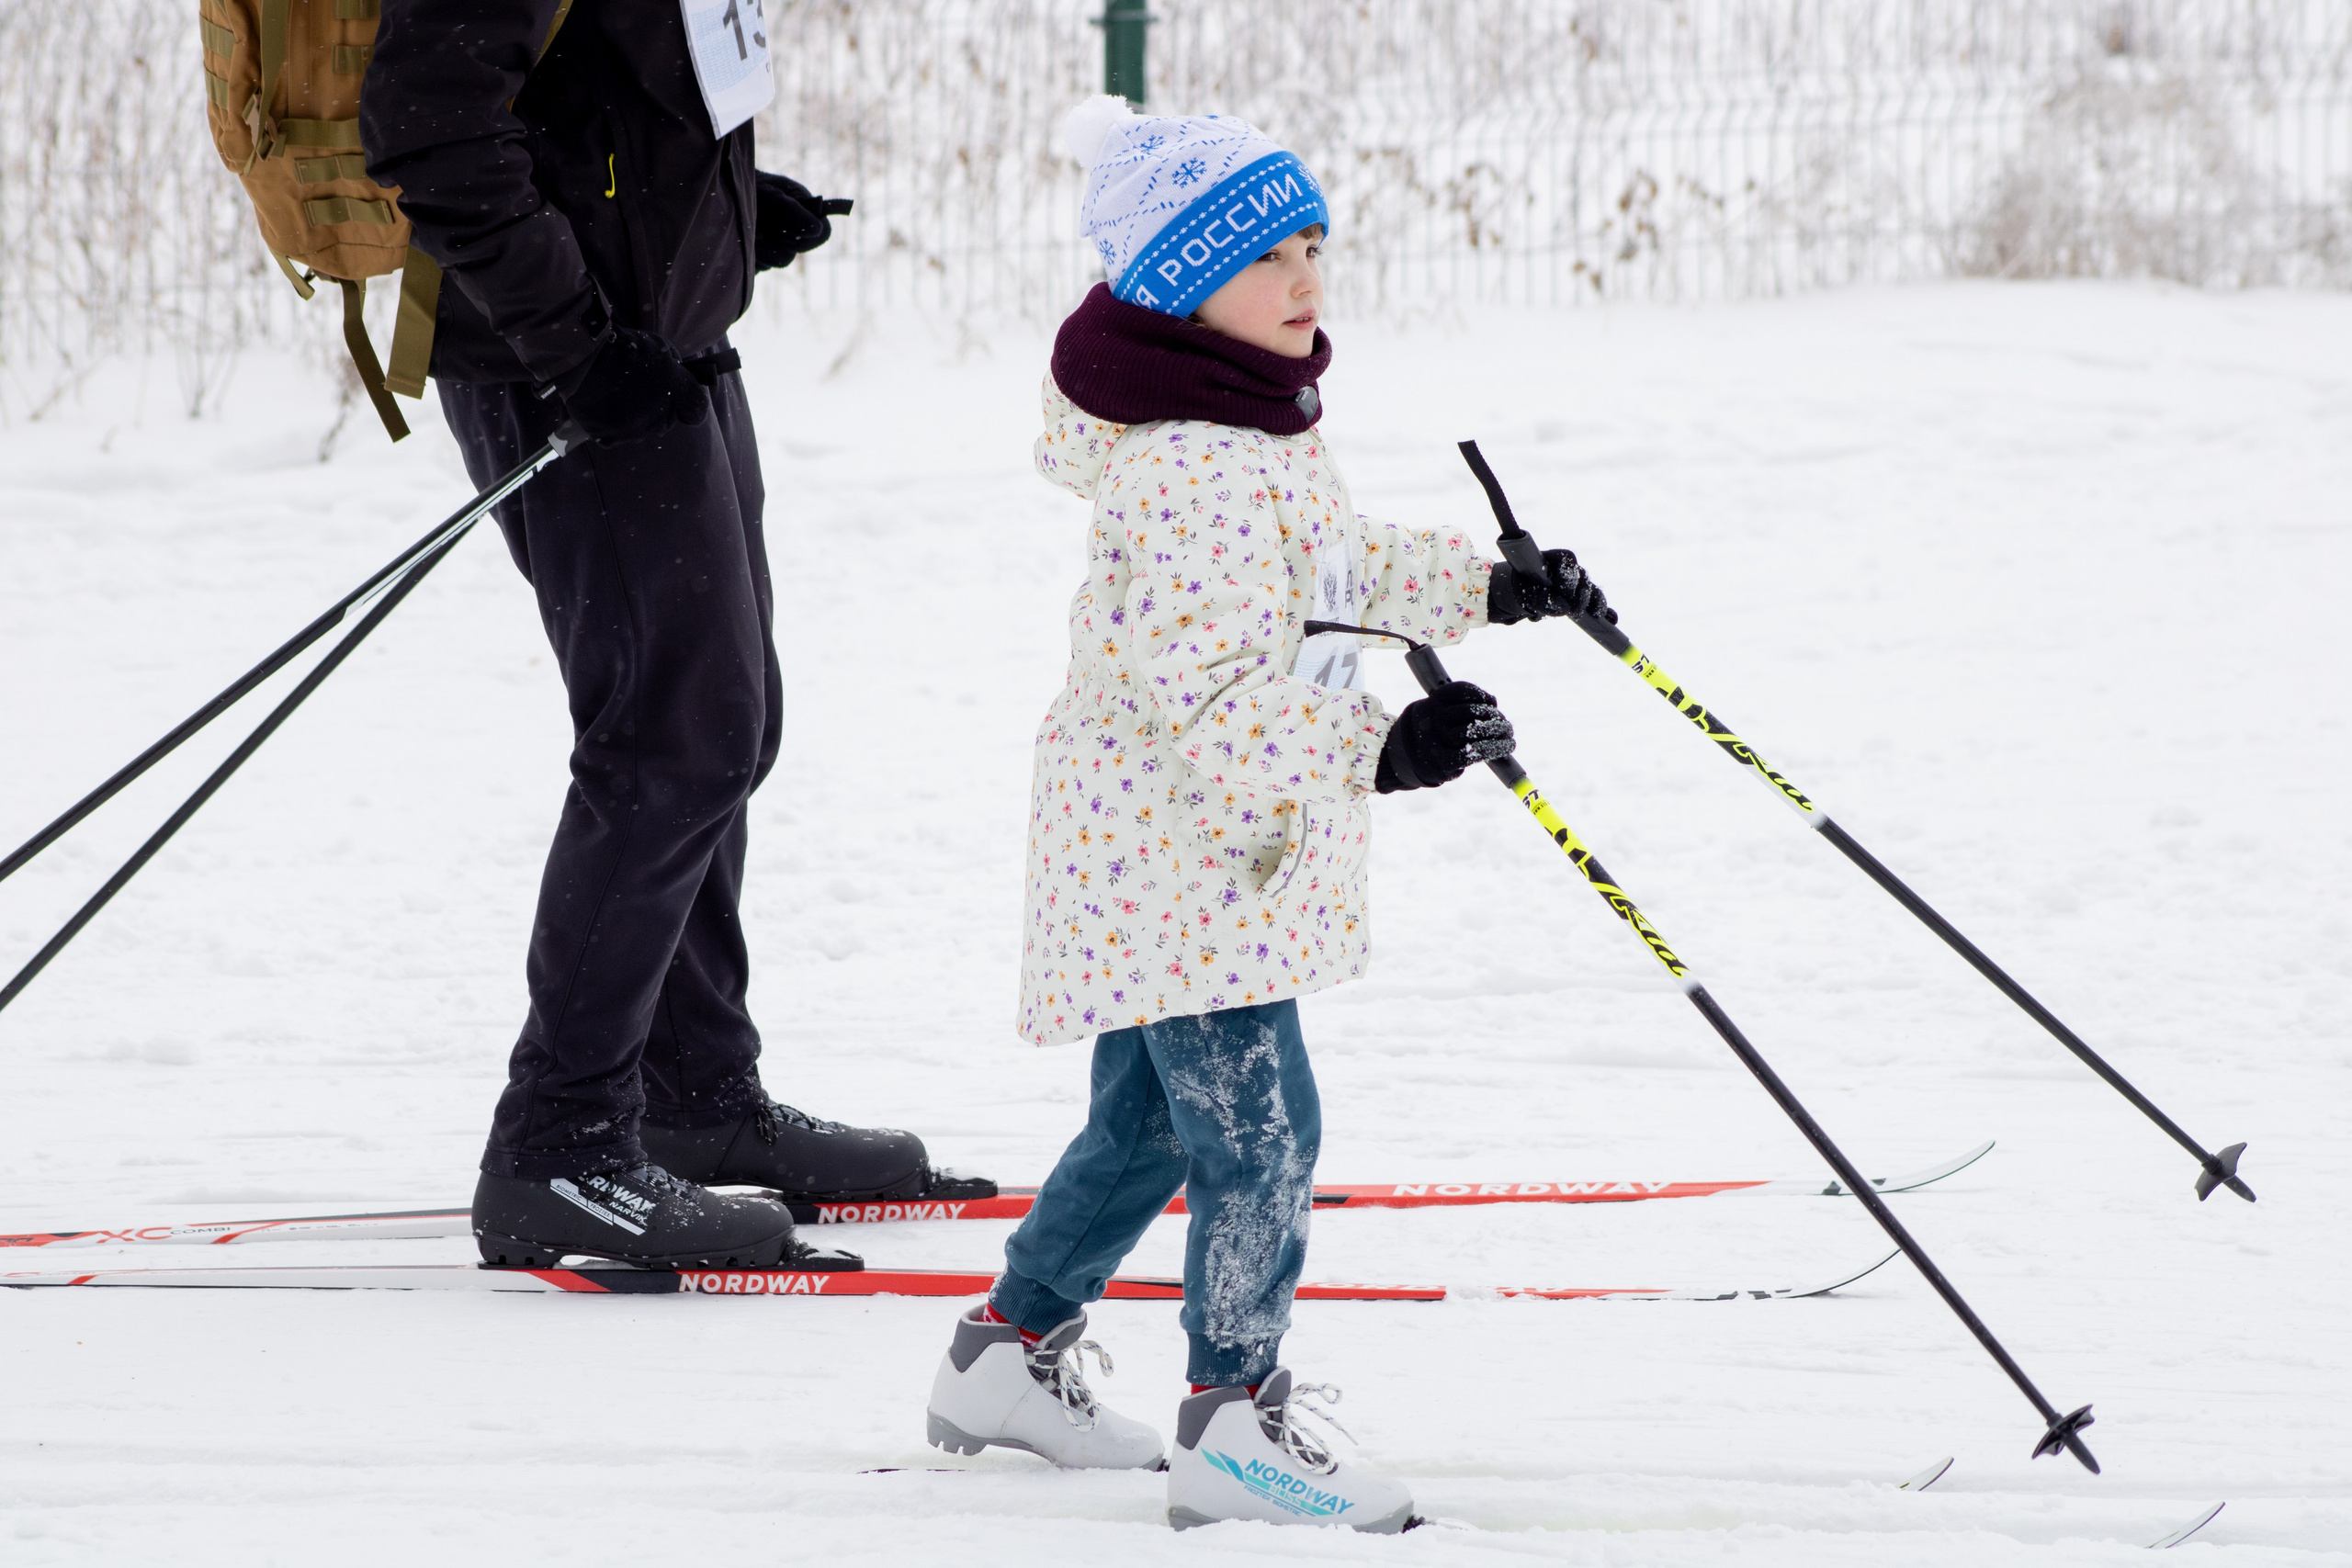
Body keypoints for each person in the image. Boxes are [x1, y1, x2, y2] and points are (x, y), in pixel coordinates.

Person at [922, 98, 1612, 1530]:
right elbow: (1222, 702)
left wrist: (1491, 587)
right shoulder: (1187, 471)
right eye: (1266, 259)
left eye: (1313, 244)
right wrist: (1388, 751)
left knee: (1149, 1129)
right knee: (1264, 1130)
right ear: (1178, 288)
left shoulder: (1248, 423)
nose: (1307, 280)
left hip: (1174, 857)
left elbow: (1334, 558)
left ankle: (1007, 1352)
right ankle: (1231, 1419)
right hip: (1182, 856)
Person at [359, 1, 989, 1270]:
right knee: (669, 739)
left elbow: (613, 88)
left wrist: (730, 218)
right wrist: (575, 344)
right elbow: (426, 127)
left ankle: (691, 1098)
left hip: (667, 346)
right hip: (574, 371)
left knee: (725, 731)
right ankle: (560, 1142)